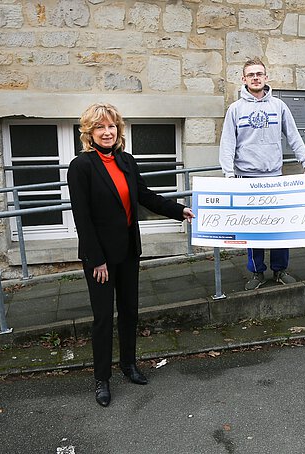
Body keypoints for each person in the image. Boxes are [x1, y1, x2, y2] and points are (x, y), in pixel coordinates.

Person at [67, 103, 194, 407]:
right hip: (100, 258)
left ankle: (128, 365)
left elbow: (146, 197)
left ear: (118, 130)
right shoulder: (81, 166)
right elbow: (81, 218)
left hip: (127, 251)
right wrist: (96, 259)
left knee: (129, 311)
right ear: (89, 132)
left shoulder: (126, 161)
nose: (107, 132)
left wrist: (180, 211)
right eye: (100, 127)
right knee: (102, 318)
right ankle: (102, 379)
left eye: (111, 126)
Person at [219, 57, 305, 291]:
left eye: (259, 74)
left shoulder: (279, 106)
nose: (255, 78)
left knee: (279, 227)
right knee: (253, 230)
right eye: (250, 74)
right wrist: (228, 174)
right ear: (244, 79)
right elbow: (227, 143)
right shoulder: (236, 109)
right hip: (246, 178)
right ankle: (257, 273)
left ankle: (280, 270)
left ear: (266, 77)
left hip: (274, 177)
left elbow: (294, 136)